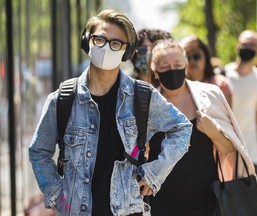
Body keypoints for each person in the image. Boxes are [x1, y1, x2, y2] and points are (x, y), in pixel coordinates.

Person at [28, 9, 192, 216]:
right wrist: (56, 194)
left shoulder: (142, 96)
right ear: (87, 42)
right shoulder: (62, 99)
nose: (107, 48)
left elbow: (182, 128)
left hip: (128, 210)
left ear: (126, 51)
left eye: (116, 43)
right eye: (99, 40)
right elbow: (38, 152)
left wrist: (154, 174)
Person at [147, 39, 256, 216]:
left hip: (206, 202)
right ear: (156, 72)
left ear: (186, 65)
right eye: (165, 66)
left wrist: (214, 133)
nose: (172, 70)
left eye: (177, 64)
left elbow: (229, 149)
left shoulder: (210, 96)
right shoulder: (148, 105)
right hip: (160, 203)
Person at [225, 30, 257, 178]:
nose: (248, 48)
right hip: (223, 153)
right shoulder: (222, 75)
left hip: (249, 155)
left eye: (253, 45)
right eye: (245, 44)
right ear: (237, 45)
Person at [179, 34, 233, 106]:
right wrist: (182, 47)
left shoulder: (220, 84)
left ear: (206, 58)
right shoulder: (179, 87)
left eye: (196, 56)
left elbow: (228, 116)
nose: (192, 61)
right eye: (188, 57)